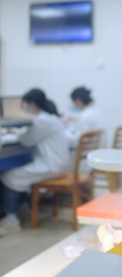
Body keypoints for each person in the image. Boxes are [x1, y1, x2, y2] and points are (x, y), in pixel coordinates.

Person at [0, 89, 69, 236]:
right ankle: (22, 208)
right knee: (18, 173)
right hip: (59, 164)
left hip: (51, 166)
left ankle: (11, 220)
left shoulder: (42, 120)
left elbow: (27, 140)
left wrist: (19, 134)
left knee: (9, 176)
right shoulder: (50, 118)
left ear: (31, 104)